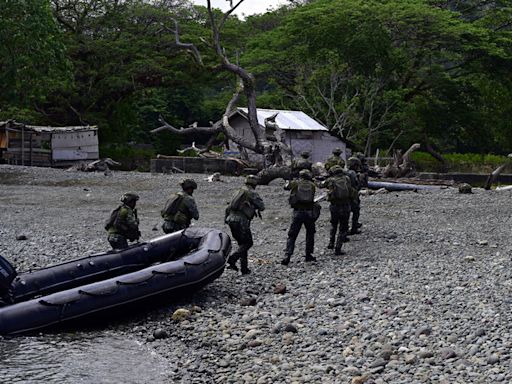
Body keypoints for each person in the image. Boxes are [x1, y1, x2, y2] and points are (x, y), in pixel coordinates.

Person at [225, 175, 265, 275]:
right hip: (241, 220)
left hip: (230, 219)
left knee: (242, 244)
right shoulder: (251, 192)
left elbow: (229, 206)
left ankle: (244, 268)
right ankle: (232, 259)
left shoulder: (238, 191)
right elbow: (262, 206)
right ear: (254, 183)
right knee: (248, 243)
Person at [282, 169, 318, 265]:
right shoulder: (312, 185)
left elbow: (286, 187)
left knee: (292, 235)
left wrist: (288, 180)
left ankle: (287, 255)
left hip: (298, 212)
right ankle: (308, 255)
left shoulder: (295, 183)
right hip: (309, 212)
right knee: (310, 234)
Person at [322, 165, 353, 255]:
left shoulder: (331, 180)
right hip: (345, 205)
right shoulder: (347, 178)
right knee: (343, 227)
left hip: (334, 206)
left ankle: (331, 243)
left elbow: (322, 185)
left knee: (333, 224)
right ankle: (338, 248)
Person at [347, 157, 362, 235]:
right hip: (353, 195)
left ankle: (345, 228)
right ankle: (354, 228)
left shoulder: (345, 172)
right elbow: (356, 185)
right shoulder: (352, 173)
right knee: (356, 211)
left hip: (346, 196)